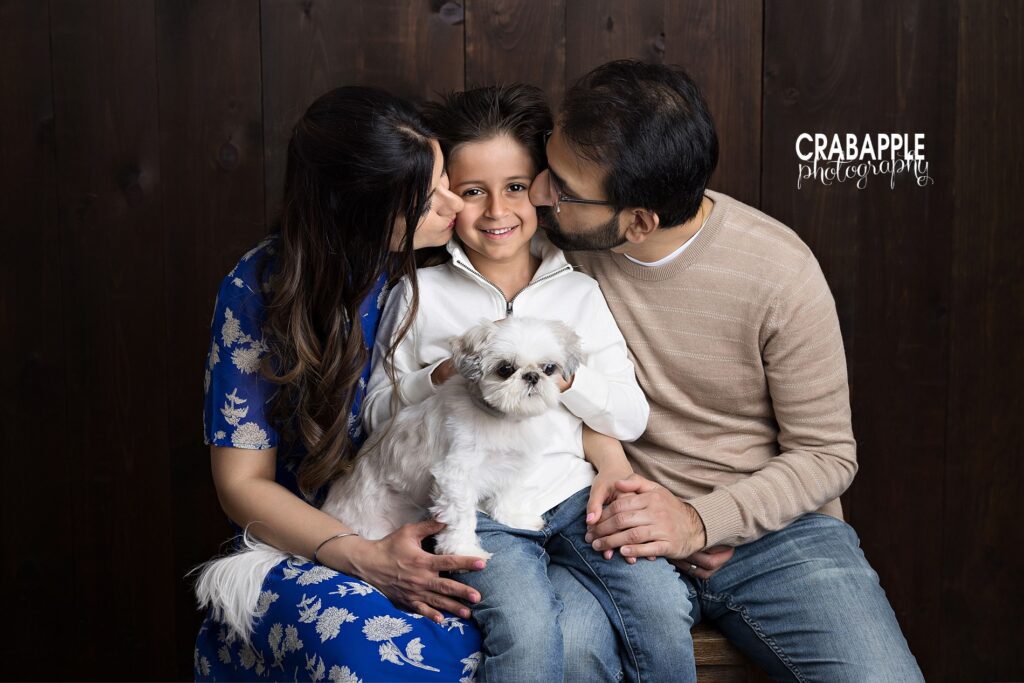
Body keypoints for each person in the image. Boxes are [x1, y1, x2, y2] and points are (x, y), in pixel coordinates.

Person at [524, 59, 925, 682]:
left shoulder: (778, 271)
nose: (538, 193)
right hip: (606, 529)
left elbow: (826, 455)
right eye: (547, 165)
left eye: (564, 190)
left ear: (638, 222)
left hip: (773, 534)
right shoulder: (547, 245)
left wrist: (699, 522)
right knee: (566, 652)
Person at [361, 83, 697, 682]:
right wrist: (442, 373)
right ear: (447, 196)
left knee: (661, 605)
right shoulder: (418, 294)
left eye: (516, 187)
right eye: (473, 191)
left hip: (576, 496)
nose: (497, 211)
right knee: (528, 631)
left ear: (543, 188)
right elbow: (375, 414)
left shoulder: (580, 291)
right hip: (479, 506)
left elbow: (629, 417)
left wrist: (563, 378)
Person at [194, 86, 486, 682]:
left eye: (444, 181)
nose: (454, 204)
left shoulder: (451, 254)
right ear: (361, 211)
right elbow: (241, 484)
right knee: (369, 656)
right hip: (303, 539)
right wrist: (363, 556)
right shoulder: (260, 290)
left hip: (427, 509)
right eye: (425, 201)